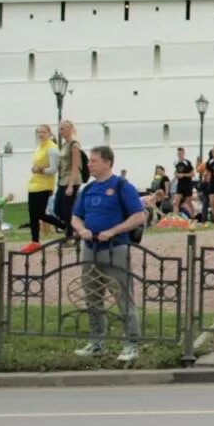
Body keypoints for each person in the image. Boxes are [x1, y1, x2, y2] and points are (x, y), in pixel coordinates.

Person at [70, 145, 146, 364]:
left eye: (93, 160)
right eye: (89, 161)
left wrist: (113, 231)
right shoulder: (88, 189)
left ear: (107, 162)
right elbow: (76, 216)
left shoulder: (122, 187)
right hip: (90, 248)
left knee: (122, 296)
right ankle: (97, 342)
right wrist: (81, 229)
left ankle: (131, 342)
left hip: (115, 249)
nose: (89, 164)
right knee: (92, 297)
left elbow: (138, 216)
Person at [21, 123, 59, 253]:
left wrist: (40, 170)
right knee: (33, 215)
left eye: (44, 132)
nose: (41, 134)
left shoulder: (52, 148)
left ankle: (65, 226)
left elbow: (53, 169)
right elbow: (36, 165)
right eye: (39, 132)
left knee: (40, 214)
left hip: (44, 185)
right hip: (33, 185)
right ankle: (35, 241)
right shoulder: (38, 148)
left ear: (49, 133)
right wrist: (34, 169)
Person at [54, 120, 84, 236]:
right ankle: (75, 226)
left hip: (72, 180)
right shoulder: (65, 144)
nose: (61, 131)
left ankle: (70, 235)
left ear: (70, 129)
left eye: (63, 129)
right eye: (60, 129)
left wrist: (71, 185)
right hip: (62, 180)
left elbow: (75, 166)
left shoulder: (74, 145)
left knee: (66, 209)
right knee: (57, 208)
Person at [173, 147, 195, 218]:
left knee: (188, 203)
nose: (179, 154)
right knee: (176, 202)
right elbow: (176, 172)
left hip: (187, 184)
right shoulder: (176, 162)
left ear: (184, 153)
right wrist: (176, 175)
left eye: (181, 153)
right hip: (180, 185)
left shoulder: (187, 162)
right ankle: (176, 219)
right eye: (178, 153)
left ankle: (193, 217)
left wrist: (183, 175)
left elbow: (192, 174)